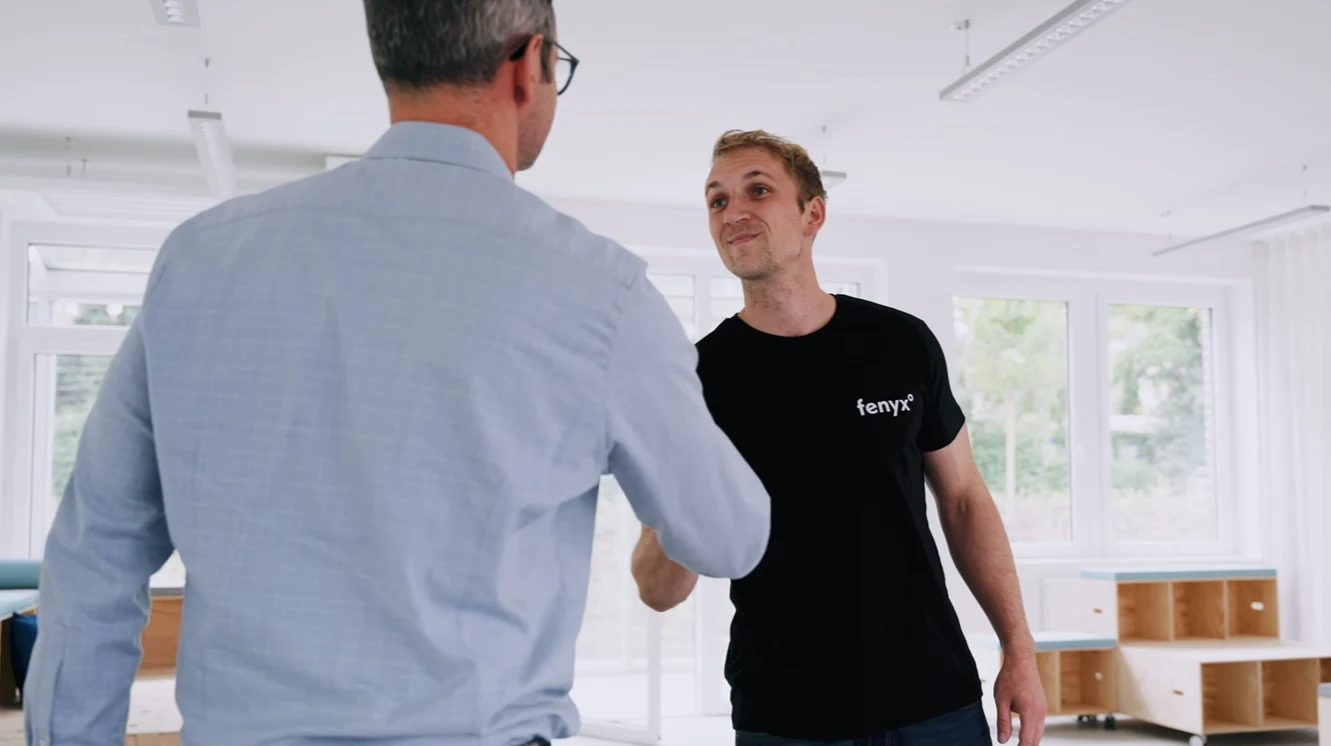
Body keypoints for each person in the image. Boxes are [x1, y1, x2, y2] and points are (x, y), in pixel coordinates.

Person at [23, 3, 771, 745]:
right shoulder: (602, 292)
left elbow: (95, 557)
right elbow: (728, 539)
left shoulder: (199, 260)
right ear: (528, 63)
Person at [630, 130, 1048, 746]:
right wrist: (682, 484)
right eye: (717, 201)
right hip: (788, 713)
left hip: (935, 700)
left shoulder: (901, 344)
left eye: (758, 190)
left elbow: (963, 500)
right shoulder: (694, 379)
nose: (733, 212)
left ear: (813, 214)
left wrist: (1020, 649)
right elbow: (656, 589)